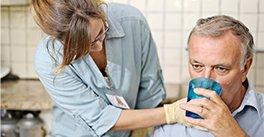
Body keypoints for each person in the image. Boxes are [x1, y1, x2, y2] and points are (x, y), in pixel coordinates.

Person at [30, 0, 197, 136]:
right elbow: (101, 118)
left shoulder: (133, 22)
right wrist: (171, 113)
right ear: (59, 39)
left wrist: (139, 132)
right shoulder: (48, 59)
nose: (98, 47)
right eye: (82, 47)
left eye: (101, 32)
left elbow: (149, 89)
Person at [152, 15, 264, 137]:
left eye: (221, 68)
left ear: (245, 68)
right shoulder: (172, 127)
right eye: (197, 66)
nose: (206, 80)